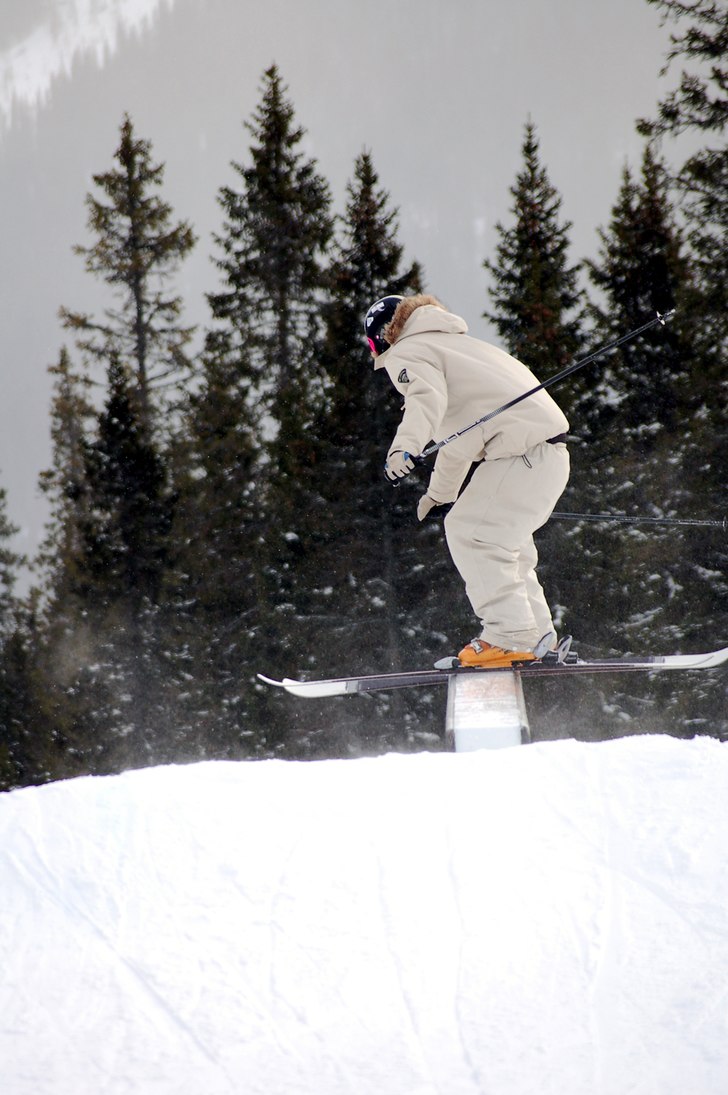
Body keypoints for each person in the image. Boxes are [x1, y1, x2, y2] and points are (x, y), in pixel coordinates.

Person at [364, 293, 570, 667]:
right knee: (505, 546)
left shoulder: (407, 351)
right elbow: (461, 439)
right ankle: (538, 636)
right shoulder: (460, 347)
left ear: (381, 337)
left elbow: (426, 399)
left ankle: (509, 637)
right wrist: (440, 495)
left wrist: (403, 449)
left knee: (472, 532)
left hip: (519, 454)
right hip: (545, 456)